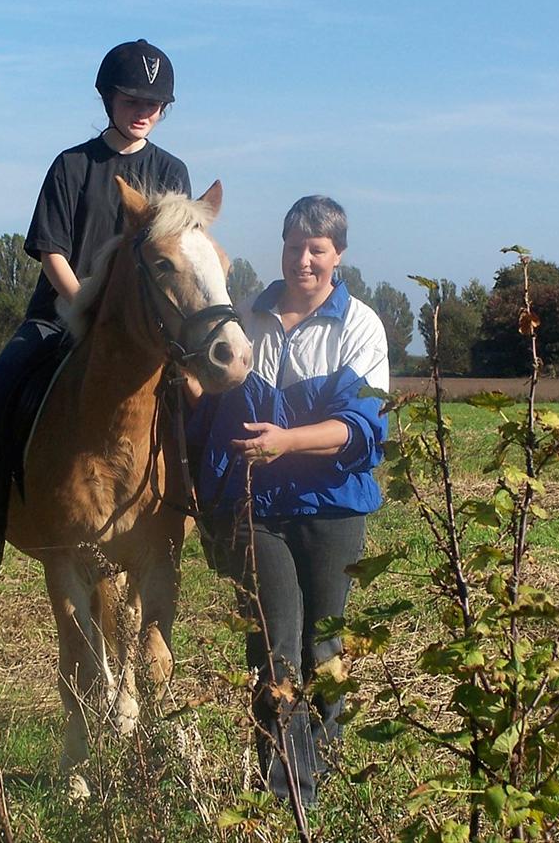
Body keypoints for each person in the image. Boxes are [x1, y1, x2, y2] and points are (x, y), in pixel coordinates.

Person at [0, 39, 191, 576]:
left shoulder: (173, 173)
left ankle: (206, 512)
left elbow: (181, 253)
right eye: (131, 100)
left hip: (146, 329)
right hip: (59, 316)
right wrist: (85, 310)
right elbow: (51, 248)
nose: (143, 111)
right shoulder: (72, 165)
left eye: (153, 103)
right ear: (107, 99)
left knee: (199, 398)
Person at [189, 196, 389, 804]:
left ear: (338, 256)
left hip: (332, 508)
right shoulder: (247, 315)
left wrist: (286, 441)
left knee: (324, 647)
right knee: (273, 645)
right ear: (281, 246)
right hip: (259, 510)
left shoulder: (360, 325)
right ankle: (283, 792)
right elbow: (213, 399)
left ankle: (319, 773)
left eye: (317, 249)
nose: (303, 260)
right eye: (294, 245)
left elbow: (362, 428)